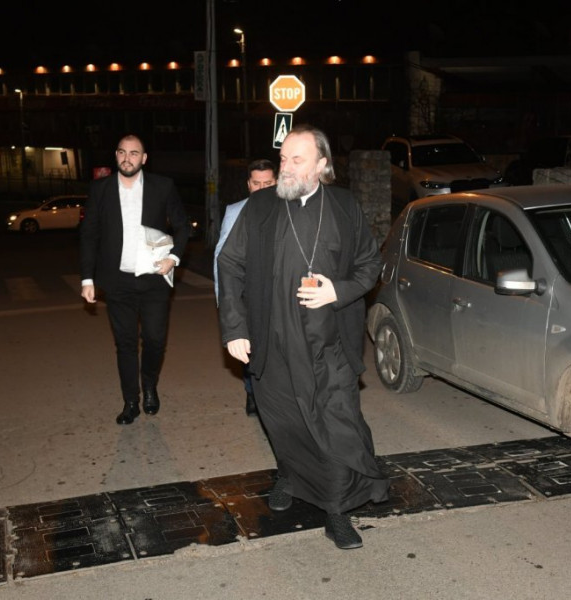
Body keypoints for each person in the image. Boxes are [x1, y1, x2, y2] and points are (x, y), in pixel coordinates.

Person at [217, 124, 389, 549]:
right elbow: (229, 263)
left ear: (322, 165)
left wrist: (338, 291)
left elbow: (371, 265)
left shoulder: (344, 206)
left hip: (329, 342)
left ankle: (337, 513)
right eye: (283, 159)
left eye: (297, 160)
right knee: (287, 422)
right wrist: (235, 328)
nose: (287, 168)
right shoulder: (260, 206)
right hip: (273, 340)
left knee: (336, 426)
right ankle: (290, 477)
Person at [80, 133, 191, 425]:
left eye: (133, 153)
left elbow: (183, 226)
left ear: (144, 158)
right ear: (116, 155)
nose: (127, 158)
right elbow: (89, 235)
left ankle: (149, 384)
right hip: (117, 281)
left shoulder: (162, 186)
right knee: (125, 343)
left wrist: (173, 258)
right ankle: (131, 401)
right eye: (122, 152)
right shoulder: (101, 189)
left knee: (154, 339)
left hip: (154, 278)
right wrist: (87, 279)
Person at [213, 158, 277, 416]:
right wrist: (224, 301)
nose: (262, 189)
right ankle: (252, 392)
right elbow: (223, 258)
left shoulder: (289, 208)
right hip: (247, 296)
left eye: (268, 184)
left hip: (278, 295)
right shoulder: (235, 211)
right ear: (249, 184)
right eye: (257, 184)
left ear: (277, 182)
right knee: (249, 348)